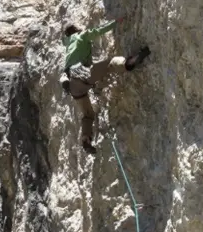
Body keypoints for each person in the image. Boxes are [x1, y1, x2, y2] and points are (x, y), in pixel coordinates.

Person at [62, 18, 150, 154]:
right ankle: (128, 63)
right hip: (82, 73)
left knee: (87, 114)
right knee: (110, 64)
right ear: (75, 29)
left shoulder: (67, 43)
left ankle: (86, 139)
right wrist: (116, 22)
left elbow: (65, 37)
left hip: (73, 85)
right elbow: (98, 31)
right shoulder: (81, 35)